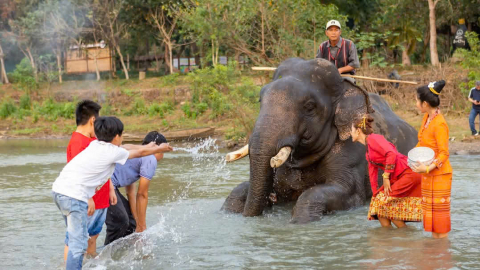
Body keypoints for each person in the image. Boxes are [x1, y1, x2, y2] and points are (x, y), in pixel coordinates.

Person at [52, 117, 173, 270]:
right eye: (121, 135)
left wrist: (150, 146)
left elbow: (129, 147)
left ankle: (93, 263)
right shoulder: (112, 152)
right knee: (79, 243)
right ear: (116, 137)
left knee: (76, 239)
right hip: (73, 194)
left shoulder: (97, 144)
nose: (122, 139)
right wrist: (158, 149)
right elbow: (140, 153)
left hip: (60, 191)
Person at [351, 115, 422, 228]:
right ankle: (389, 240)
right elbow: (372, 174)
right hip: (399, 175)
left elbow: (391, 153)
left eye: (352, 130)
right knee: (379, 209)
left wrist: (385, 176)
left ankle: (405, 237)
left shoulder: (374, 139)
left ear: (358, 131)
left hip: (408, 172)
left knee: (387, 207)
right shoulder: (368, 151)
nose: (350, 133)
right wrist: (375, 195)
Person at [63, 100, 111, 261]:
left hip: (100, 201)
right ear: (92, 120)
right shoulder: (78, 142)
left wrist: (110, 188)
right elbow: (77, 174)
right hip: (86, 202)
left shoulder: (92, 141)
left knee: (92, 238)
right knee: (74, 241)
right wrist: (88, 197)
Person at [104, 131, 167, 245]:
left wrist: (138, 223)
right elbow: (142, 194)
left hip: (108, 184)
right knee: (121, 221)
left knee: (131, 223)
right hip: (105, 184)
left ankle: (125, 252)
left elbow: (131, 193)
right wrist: (142, 227)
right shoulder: (150, 158)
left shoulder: (138, 156)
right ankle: (107, 253)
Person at [410, 80, 453, 239]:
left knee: (440, 223)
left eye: (417, 100)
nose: (416, 103)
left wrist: (427, 168)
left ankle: (442, 258)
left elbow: (444, 153)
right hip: (428, 175)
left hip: (440, 175)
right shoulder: (427, 119)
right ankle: (435, 258)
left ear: (425, 104)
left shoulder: (439, 124)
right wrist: (410, 155)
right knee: (432, 221)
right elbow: (422, 142)